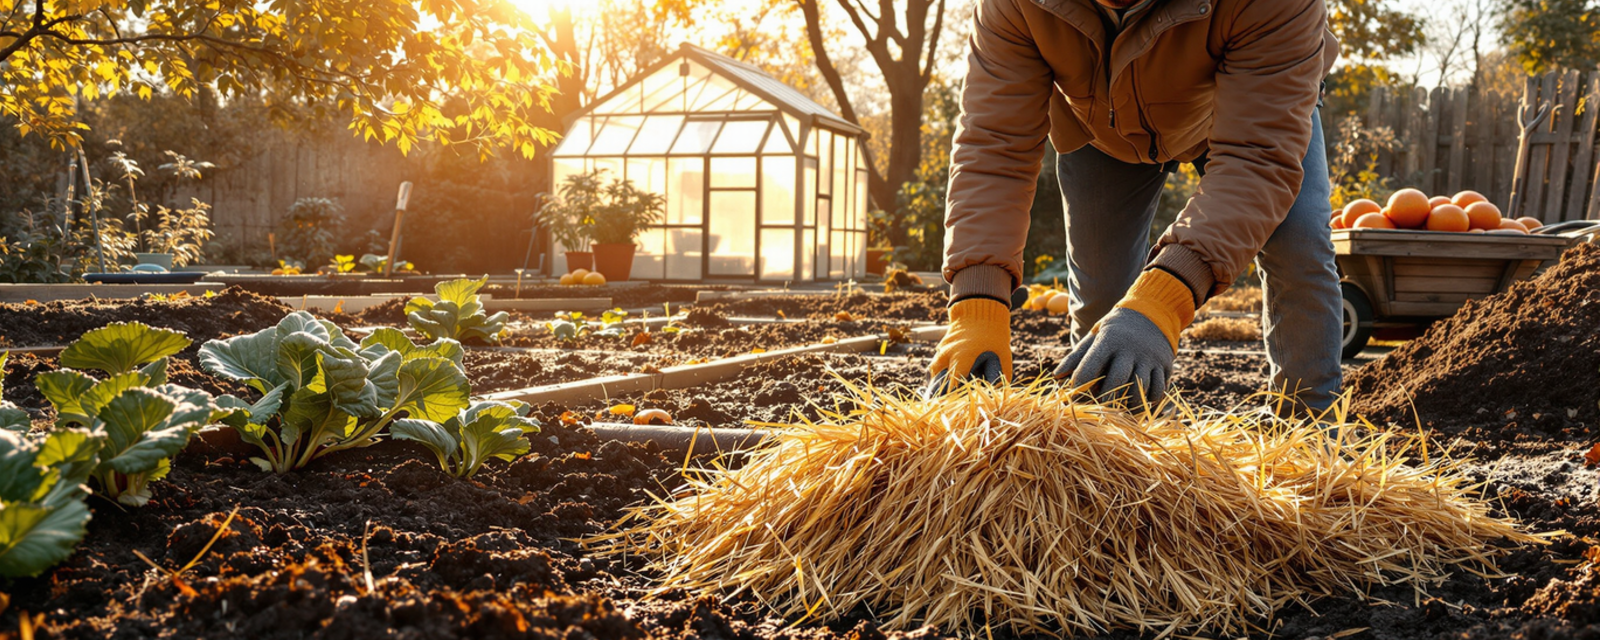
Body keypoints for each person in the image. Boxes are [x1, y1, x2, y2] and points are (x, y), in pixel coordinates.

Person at [925, 0, 1343, 413]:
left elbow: (1256, 159)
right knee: (1101, 305)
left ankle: (1309, 424)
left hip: (1249, 114)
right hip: (1104, 128)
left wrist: (1163, 300)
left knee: (1299, 246)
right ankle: (1109, 445)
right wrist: (976, 304)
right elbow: (995, 148)